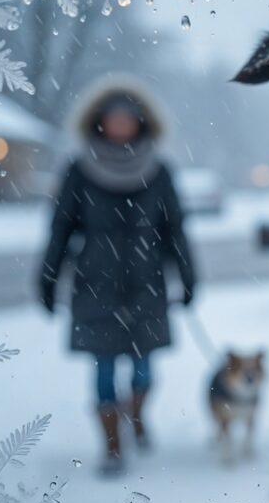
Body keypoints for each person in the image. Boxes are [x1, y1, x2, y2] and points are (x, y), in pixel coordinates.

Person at [39, 79, 196, 476]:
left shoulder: (159, 171)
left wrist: (190, 275)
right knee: (104, 366)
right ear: (100, 123)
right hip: (96, 283)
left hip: (147, 281)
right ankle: (112, 445)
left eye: (128, 119)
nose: (120, 125)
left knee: (144, 368)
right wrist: (47, 276)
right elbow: (60, 228)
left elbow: (175, 229)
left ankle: (137, 416)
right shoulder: (78, 170)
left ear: (141, 124)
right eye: (114, 119)